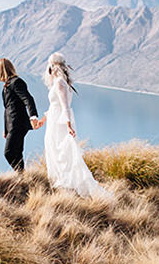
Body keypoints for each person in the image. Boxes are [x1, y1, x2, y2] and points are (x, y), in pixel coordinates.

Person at [37, 53, 110, 198]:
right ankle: (62, 185)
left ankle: (67, 185)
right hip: (54, 121)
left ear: (52, 66)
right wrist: (43, 120)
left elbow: (65, 107)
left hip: (60, 123)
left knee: (63, 153)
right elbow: (54, 106)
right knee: (55, 151)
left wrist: (68, 126)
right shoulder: (60, 82)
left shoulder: (59, 83)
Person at [0, 58, 40, 173]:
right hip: (12, 124)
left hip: (18, 123)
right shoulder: (7, 85)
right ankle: (22, 177)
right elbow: (7, 109)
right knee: (17, 152)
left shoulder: (16, 82)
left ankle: (20, 174)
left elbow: (28, 99)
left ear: (0, 70)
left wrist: (33, 116)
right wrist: (5, 129)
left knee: (8, 152)